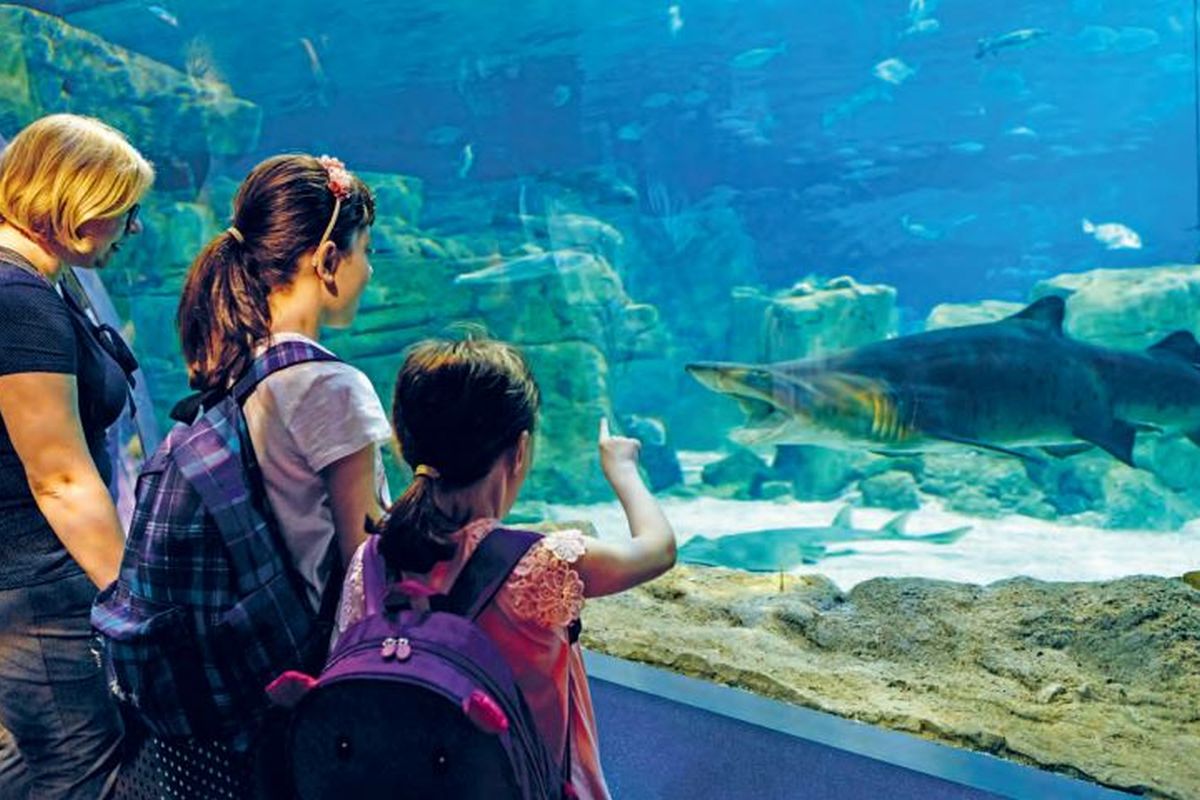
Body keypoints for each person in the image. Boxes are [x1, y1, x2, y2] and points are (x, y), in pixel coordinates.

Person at [123, 152, 391, 796]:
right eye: (366, 251)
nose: (370, 270)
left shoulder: (238, 366)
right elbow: (365, 561)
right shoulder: (331, 386)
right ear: (328, 259)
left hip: (250, 679)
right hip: (313, 674)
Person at [334, 336, 678, 800]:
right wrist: (622, 468)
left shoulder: (372, 559)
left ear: (405, 444)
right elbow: (658, 549)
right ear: (519, 450)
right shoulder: (541, 564)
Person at [0, 114, 153, 799]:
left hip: (35, 594)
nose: (133, 228)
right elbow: (58, 475)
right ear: (74, 200)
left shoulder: (35, 283)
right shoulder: (19, 300)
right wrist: (133, 600)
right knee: (83, 774)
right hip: (39, 599)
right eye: (124, 208)